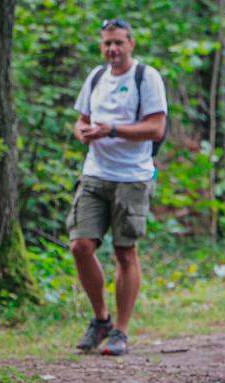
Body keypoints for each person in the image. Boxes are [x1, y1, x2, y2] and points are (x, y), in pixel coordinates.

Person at [68, 19, 167, 355]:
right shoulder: (95, 77)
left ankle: (121, 332)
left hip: (132, 177)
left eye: (118, 43)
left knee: (125, 251)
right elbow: (81, 118)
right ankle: (101, 320)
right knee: (81, 246)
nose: (112, 49)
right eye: (107, 43)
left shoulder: (146, 77)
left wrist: (112, 130)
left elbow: (156, 127)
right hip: (94, 172)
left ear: (130, 44)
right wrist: (82, 131)